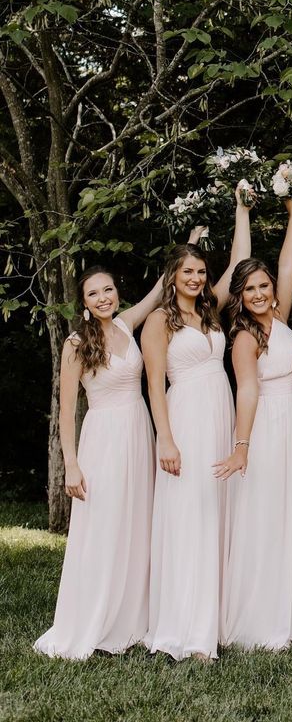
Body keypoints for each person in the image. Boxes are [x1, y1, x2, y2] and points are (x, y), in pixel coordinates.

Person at [34, 227, 203, 659]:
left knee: (136, 524)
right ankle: (92, 618)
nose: (104, 298)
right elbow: (67, 413)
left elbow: (162, 287)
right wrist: (71, 465)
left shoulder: (129, 326)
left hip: (138, 432)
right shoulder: (76, 345)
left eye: (108, 289)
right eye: (94, 293)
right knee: (105, 527)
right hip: (103, 440)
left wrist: (190, 245)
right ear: (84, 303)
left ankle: (130, 620)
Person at [142, 189, 250, 661]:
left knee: (216, 512)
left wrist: (241, 209)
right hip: (183, 416)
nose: (196, 277)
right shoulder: (158, 321)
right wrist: (165, 438)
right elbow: (152, 385)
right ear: (172, 276)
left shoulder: (209, 311)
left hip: (219, 413)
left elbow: (239, 264)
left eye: (200, 271)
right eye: (187, 271)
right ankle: (184, 629)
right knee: (190, 516)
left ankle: (215, 617)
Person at [219, 196, 292, 650]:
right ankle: (261, 618)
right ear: (240, 296)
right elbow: (248, 390)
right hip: (267, 426)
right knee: (268, 514)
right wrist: (242, 444)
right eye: (249, 289)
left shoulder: (280, 317)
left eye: (263, 286)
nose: (258, 294)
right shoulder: (243, 336)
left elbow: (290, 267)